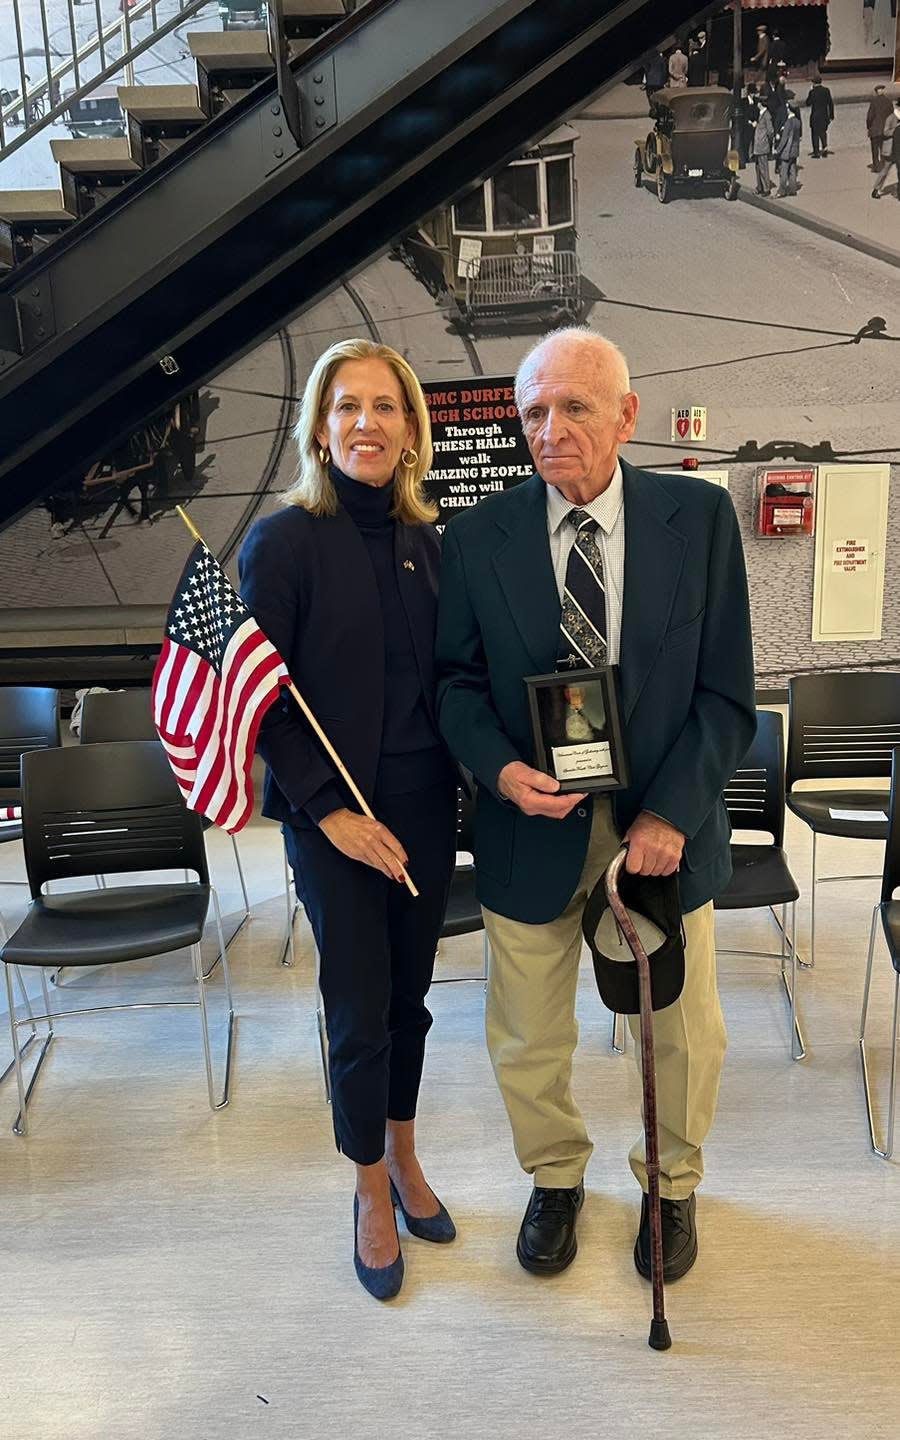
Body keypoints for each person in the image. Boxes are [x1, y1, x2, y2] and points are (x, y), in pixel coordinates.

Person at [435, 329, 755, 1283]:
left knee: (682, 1030)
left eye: (574, 407)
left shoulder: (696, 520)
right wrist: (499, 773)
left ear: (627, 414)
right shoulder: (476, 535)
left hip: (661, 832)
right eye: (533, 411)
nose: (551, 430)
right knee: (527, 1030)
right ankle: (556, 1179)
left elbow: (727, 693)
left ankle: (671, 1185)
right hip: (529, 828)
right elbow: (454, 684)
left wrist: (670, 815)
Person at [239, 339, 458, 1301]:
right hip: (336, 823)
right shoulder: (282, 541)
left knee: (411, 1000)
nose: (366, 423)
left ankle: (405, 1155)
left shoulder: (430, 543)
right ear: (320, 429)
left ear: (411, 429)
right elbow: (262, 701)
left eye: (385, 406)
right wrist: (329, 814)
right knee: (358, 1008)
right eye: (346, 406)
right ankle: (369, 1186)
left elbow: (451, 682)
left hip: (422, 806)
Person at [872, 101, 900, 198]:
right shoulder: (891, 118)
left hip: (898, 148)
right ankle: (876, 189)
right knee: (885, 170)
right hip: (890, 149)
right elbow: (885, 132)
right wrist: (896, 130)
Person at [775, 103, 802, 196]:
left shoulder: (788, 122)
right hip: (795, 150)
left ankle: (781, 191)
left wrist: (778, 150)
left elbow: (784, 139)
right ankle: (792, 189)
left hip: (787, 151)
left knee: (784, 172)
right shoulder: (797, 121)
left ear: (789, 110)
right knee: (792, 170)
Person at [866, 83, 895, 170]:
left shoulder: (873, 102)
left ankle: (876, 166)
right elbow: (892, 116)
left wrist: (869, 126)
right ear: (883, 91)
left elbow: (870, 117)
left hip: (875, 129)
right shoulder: (889, 102)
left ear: (876, 92)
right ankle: (883, 165)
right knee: (884, 148)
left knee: (874, 149)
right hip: (885, 130)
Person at [805, 75, 834, 158]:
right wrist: (831, 115)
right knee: (823, 132)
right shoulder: (826, 90)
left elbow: (808, 103)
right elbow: (830, 103)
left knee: (815, 134)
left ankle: (816, 152)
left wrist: (810, 92)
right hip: (824, 115)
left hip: (815, 116)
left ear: (813, 83)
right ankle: (825, 147)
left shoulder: (812, 92)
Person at [752, 100, 775, 195]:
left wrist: (768, 142)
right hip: (758, 145)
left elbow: (770, 131)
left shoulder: (767, 115)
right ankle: (760, 187)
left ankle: (766, 188)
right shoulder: (761, 114)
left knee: (763, 167)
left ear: (760, 104)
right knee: (758, 168)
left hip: (762, 145)